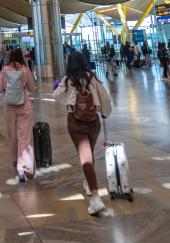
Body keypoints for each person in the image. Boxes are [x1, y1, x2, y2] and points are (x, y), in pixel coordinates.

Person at [53, 51, 112, 216]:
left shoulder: (68, 79)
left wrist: (58, 86)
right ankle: (88, 181)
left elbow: (57, 96)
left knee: (85, 158)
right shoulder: (92, 77)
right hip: (94, 122)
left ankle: (95, 198)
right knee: (89, 154)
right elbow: (105, 97)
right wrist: (105, 113)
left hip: (76, 122)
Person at [0, 48, 36, 181]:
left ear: (10, 56)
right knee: (24, 136)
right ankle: (22, 167)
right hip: (24, 105)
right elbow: (31, 88)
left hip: (9, 106)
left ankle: (16, 159)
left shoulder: (5, 69)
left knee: (12, 134)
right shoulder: (26, 69)